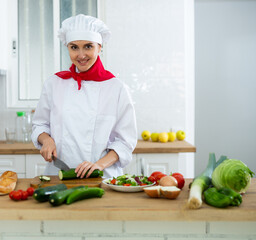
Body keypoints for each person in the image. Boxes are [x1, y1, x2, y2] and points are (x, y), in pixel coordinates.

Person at [31, 14, 137, 178]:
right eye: (74, 47)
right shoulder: (54, 83)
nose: (81, 55)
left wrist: (98, 166)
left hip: (104, 178)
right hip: (59, 176)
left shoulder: (116, 88)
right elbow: (39, 125)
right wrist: (47, 140)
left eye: (88, 46)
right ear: (67, 48)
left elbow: (125, 142)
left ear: (100, 47)